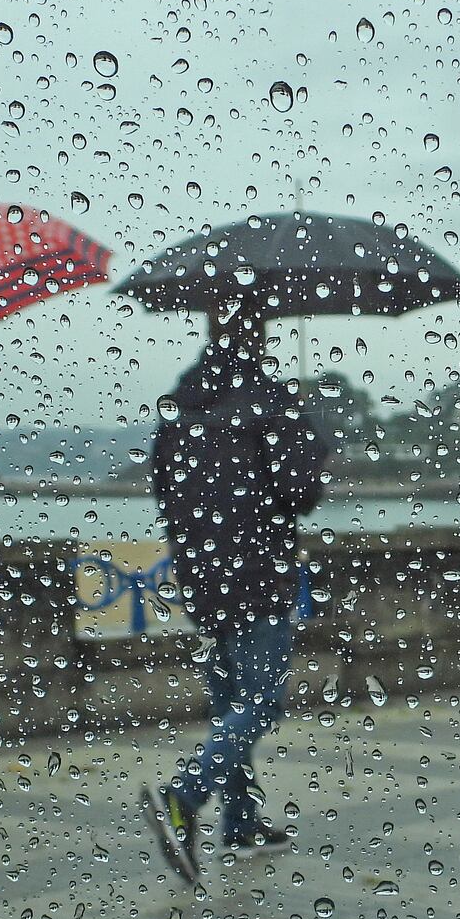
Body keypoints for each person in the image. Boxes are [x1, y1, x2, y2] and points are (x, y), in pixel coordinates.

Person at [144, 300, 329, 884]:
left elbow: (161, 485)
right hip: (258, 574)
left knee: (230, 703)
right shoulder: (271, 402)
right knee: (262, 701)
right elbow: (299, 493)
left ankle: (241, 822)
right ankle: (185, 798)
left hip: (199, 572)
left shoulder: (181, 402)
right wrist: (310, 439)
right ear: (262, 338)